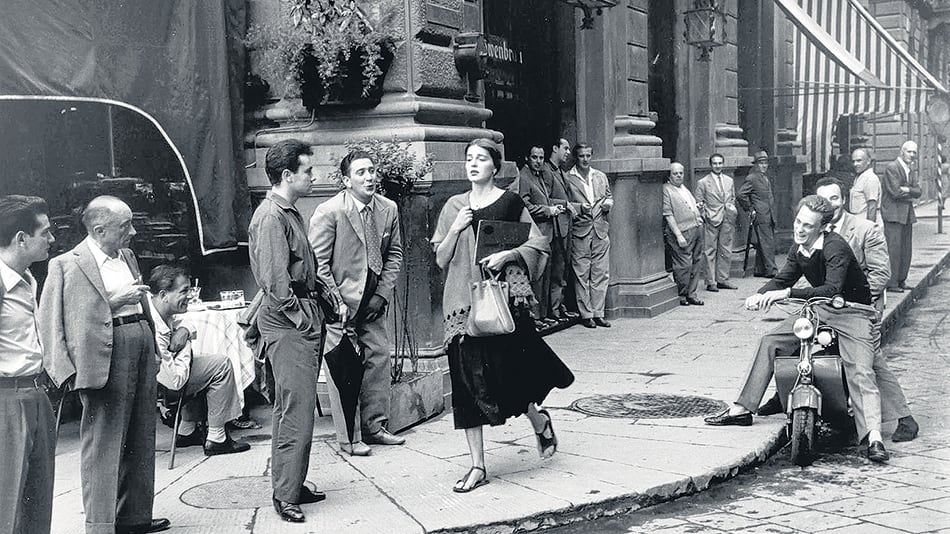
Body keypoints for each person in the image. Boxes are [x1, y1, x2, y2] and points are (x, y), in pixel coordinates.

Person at [432, 138, 574, 493]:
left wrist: (508, 256)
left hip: (503, 302)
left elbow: (538, 242)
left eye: (481, 159)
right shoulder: (454, 206)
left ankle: (538, 420)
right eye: (469, 158)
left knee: (510, 376)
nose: (473, 164)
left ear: (495, 167)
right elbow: (441, 258)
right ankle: (477, 466)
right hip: (463, 304)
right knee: (466, 386)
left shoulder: (510, 203)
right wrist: (456, 228)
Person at [704, 195, 891, 463]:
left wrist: (787, 294)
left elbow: (832, 289)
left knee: (861, 370)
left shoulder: (835, 247)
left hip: (853, 312)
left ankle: (873, 437)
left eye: (808, 225)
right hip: (819, 309)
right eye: (798, 222)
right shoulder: (799, 247)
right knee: (771, 341)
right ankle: (742, 408)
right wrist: (760, 294)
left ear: (822, 227)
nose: (800, 229)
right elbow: (784, 278)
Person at [39, 195, 170, 533]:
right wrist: (64, 373)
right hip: (104, 355)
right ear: (99, 230)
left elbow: (142, 304)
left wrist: (154, 346)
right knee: (103, 443)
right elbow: (51, 321)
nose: (134, 232)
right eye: (125, 226)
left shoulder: (126, 255)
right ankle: (100, 525)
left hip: (139, 343)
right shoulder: (67, 264)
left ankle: (134, 518)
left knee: (141, 434)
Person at [755, 178, 920, 443]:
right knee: (793, 337)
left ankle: (903, 418)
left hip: (858, 306)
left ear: (843, 200)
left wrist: (851, 302)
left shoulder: (865, 228)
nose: (828, 203)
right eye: (822, 199)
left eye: (834, 198)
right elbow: (798, 274)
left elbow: (880, 274)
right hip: (825, 304)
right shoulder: (809, 232)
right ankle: (782, 395)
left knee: (869, 363)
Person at [247, 139, 328, 523]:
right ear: (286, 175)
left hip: (299, 316)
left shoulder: (287, 213)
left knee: (295, 407)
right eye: (307, 170)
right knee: (295, 409)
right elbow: (276, 283)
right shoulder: (270, 217)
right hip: (289, 321)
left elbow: (301, 267)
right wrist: (303, 319)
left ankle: (292, 483)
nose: (313, 176)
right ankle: (285, 495)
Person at [309, 150, 405, 456]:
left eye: (372, 170)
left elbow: (394, 254)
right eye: (361, 172)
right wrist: (336, 303)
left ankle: (375, 427)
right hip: (340, 305)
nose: (369, 177)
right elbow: (318, 265)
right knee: (344, 369)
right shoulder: (330, 211)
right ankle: (349, 439)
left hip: (372, 302)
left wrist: (381, 294)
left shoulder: (388, 209)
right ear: (347, 180)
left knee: (378, 358)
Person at [146, 265, 250, 456]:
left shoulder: (157, 309)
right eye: (184, 291)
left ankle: (187, 430)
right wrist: (185, 345)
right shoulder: (155, 328)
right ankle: (217, 438)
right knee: (221, 365)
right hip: (161, 389)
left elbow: (186, 323)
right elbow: (175, 382)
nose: (190, 296)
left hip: (163, 379)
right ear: (163, 295)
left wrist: (184, 330)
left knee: (201, 364)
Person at [0, 195, 56, 534]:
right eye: (45, 232)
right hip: (7, 400)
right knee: (6, 507)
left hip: (36, 395)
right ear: (21, 238)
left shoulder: (28, 279)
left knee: (38, 504)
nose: (52, 239)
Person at [514, 143, 573, 325]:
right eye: (534, 157)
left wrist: (559, 206)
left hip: (549, 231)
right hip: (536, 232)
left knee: (548, 275)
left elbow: (546, 198)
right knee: (538, 277)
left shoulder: (540, 175)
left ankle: (544, 314)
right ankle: (535, 317)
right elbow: (524, 205)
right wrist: (548, 210)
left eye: (541, 157)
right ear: (527, 158)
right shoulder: (524, 176)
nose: (538, 161)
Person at [564, 143, 613, 328]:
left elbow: (608, 196)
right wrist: (579, 208)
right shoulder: (568, 177)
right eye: (581, 156)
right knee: (581, 273)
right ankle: (586, 314)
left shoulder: (600, 176)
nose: (585, 159)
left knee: (601, 272)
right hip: (580, 229)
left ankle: (598, 313)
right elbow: (565, 202)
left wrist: (608, 204)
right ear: (576, 157)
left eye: (588, 156)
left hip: (600, 229)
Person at [880, 140, 922, 293]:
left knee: (905, 249)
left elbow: (919, 192)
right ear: (902, 151)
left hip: (906, 214)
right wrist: (911, 192)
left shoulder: (910, 169)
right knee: (894, 249)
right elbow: (895, 192)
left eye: (914, 152)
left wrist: (907, 190)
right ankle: (892, 283)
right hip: (893, 214)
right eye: (909, 151)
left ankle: (901, 279)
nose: (912, 155)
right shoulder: (892, 167)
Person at [662, 163, 705, 306]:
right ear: (669, 176)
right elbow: (668, 214)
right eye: (675, 173)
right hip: (682, 231)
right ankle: (681, 294)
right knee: (683, 265)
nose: (679, 176)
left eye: (681, 173)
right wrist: (678, 235)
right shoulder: (666, 189)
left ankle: (692, 294)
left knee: (696, 262)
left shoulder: (684, 188)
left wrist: (698, 210)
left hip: (696, 227)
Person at [695, 153, 738, 292]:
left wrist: (731, 210)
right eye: (715, 163)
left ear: (723, 164)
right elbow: (698, 202)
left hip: (727, 218)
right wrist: (706, 215)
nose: (717, 166)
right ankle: (711, 282)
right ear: (711, 165)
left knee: (726, 249)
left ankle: (723, 279)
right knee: (710, 251)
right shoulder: (703, 182)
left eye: (720, 163)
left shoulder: (729, 181)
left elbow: (732, 198)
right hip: (711, 219)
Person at [545, 138, 577, 320]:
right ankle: (554, 310)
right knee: (556, 270)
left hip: (565, 226)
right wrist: (565, 204)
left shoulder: (561, 172)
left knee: (563, 268)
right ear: (555, 148)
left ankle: (560, 306)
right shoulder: (546, 171)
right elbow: (545, 199)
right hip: (554, 227)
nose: (568, 152)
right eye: (565, 148)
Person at [737, 150, 777, 278]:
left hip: (768, 214)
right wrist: (750, 209)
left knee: (762, 242)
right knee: (767, 242)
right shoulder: (752, 178)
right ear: (755, 165)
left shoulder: (764, 177)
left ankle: (760, 270)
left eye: (765, 163)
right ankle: (772, 270)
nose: (764, 166)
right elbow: (740, 195)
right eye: (761, 163)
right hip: (760, 215)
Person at [849, 148, 882, 223]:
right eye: (853, 161)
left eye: (859, 161)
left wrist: (869, 227)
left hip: (865, 219)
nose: (855, 164)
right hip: (858, 219)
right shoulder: (860, 177)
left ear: (868, 161)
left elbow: (872, 206)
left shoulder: (870, 178)